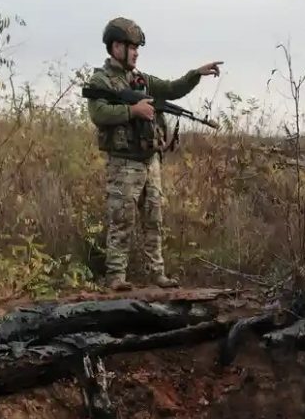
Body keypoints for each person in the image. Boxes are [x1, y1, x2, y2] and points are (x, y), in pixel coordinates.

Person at [85, 17, 222, 291]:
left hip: (149, 160)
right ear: (116, 47)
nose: (136, 53)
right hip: (123, 162)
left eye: (137, 48)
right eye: (132, 47)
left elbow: (171, 88)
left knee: (154, 219)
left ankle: (156, 273)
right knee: (121, 219)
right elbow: (98, 113)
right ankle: (116, 276)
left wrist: (196, 74)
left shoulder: (141, 80)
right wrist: (132, 111)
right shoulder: (102, 80)